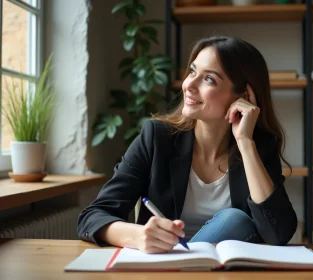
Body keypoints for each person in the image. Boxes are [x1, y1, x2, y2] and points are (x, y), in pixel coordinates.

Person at [78, 36, 297, 254]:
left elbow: (278, 234)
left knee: (234, 220)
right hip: (163, 265)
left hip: (224, 273)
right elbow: (93, 217)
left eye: (208, 79)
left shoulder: (258, 147)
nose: (188, 85)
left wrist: (245, 143)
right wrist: (138, 236)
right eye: (192, 72)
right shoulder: (156, 138)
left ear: (242, 96)